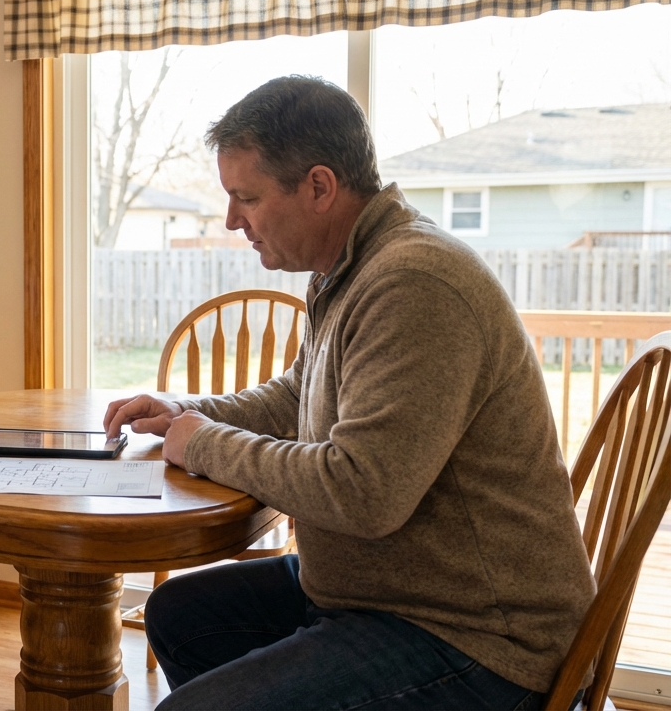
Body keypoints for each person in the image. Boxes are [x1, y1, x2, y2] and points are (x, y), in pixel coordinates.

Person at [104, 77, 595, 710]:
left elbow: (364, 493)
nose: (231, 221)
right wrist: (187, 412)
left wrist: (204, 445)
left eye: (246, 198)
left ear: (318, 187)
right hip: (382, 592)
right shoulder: (351, 269)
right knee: (179, 613)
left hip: (484, 639)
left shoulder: (415, 283)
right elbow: (296, 396)